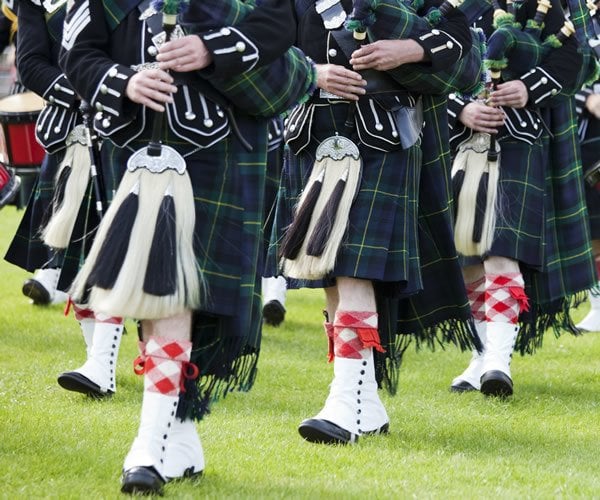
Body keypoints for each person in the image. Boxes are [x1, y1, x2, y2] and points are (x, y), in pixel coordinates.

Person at [59, 0, 315, 494]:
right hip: (139, 149)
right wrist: (124, 81)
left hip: (222, 148)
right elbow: (79, 52)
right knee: (155, 292)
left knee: (176, 295)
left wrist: (209, 48)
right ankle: (176, 438)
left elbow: (277, 22)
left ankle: (148, 446)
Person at [266, 0, 482, 445]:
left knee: (354, 270)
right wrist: (314, 73)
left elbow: (468, 62)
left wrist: (411, 50)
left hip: (382, 134)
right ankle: (366, 400)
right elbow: (266, 47)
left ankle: (343, 402)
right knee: (327, 270)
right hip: (314, 133)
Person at [448, 0, 597, 396]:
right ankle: (481, 355)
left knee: (501, 249)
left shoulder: (549, 4)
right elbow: (424, 63)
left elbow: (583, 59)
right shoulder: (453, 5)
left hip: (521, 139)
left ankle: (497, 360)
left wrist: (530, 87)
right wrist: (460, 107)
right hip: (456, 141)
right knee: (468, 257)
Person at [575, 82, 600, 330]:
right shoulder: (585, 43)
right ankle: (599, 308)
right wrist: (589, 98)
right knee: (594, 233)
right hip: (591, 146)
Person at [262, 116, 288, 327]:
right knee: (276, 226)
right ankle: (274, 297)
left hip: (280, 133)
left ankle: (274, 297)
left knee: (277, 223)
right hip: (272, 131)